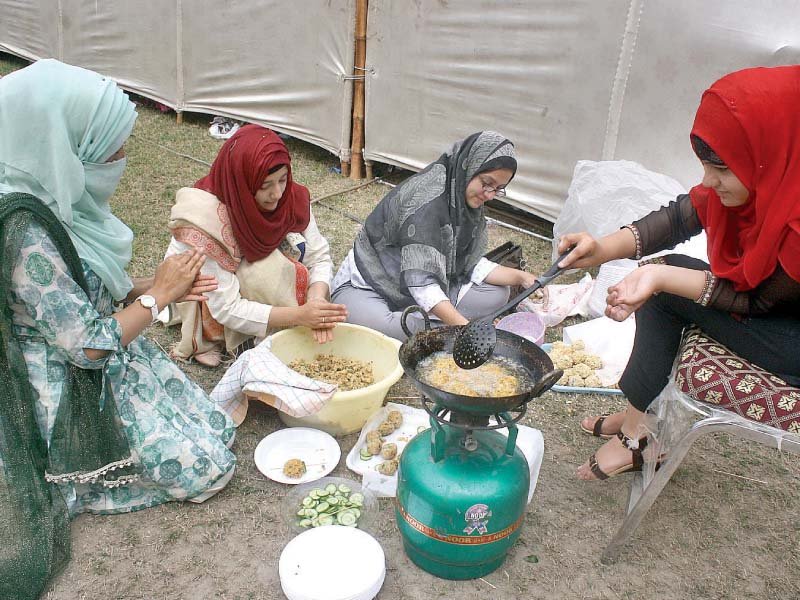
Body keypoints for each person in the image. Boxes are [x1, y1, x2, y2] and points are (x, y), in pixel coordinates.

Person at [0, 59, 236, 599]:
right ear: (64, 141)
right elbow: (86, 346)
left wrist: (149, 286)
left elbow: (87, 291)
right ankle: (76, 483)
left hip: (112, 349)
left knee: (215, 426)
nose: (123, 158)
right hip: (70, 382)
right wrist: (159, 297)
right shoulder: (24, 232)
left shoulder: (54, 195)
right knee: (207, 469)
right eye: (112, 145)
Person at [556, 66, 800, 481]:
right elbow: (678, 217)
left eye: (721, 168)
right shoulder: (776, 175)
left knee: (664, 283)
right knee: (663, 275)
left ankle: (638, 436)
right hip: (779, 313)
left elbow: (759, 302)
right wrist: (599, 248)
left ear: (768, 151)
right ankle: (639, 416)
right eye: (705, 165)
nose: (708, 180)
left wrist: (662, 279)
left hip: (792, 340)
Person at [164, 124, 347, 366]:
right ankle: (212, 335)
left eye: (283, 180)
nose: (277, 194)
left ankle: (280, 324)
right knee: (262, 272)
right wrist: (299, 315)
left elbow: (319, 256)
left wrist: (316, 299)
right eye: (264, 186)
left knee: (279, 263)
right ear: (243, 182)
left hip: (250, 281)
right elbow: (226, 307)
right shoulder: (204, 220)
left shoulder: (289, 197)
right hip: (207, 293)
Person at [332, 131, 538, 340]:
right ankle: (433, 325)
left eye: (498, 189)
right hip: (368, 286)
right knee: (383, 328)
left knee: (498, 294)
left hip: (418, 290)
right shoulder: (426, 204)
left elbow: (469, 262)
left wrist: (521, 277)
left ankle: (432, 323)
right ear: (469, 165)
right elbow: (423, 284)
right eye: (486, 183)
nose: (490, 195)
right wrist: (468, 330)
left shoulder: (463, 201)